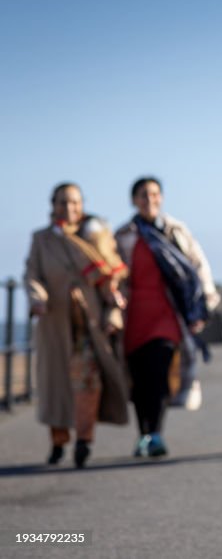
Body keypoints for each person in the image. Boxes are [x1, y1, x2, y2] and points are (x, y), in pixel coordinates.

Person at [24, 183, 130, 468]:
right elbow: (32, 274)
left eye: (74, 202)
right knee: (55, 385)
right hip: (55, 325)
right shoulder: (42, 239)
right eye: (62, 202)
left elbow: (112, 278)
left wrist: (114, 312)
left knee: (89, 383)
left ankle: (84, 440)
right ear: (53, 205)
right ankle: (58, 441)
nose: (68, 208)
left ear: (82, 205)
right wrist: (38, 298)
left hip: (89, 326)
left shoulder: (95, 236)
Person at [114, 177, 219, 458]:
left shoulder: (176, 231)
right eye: (143, 194)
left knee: (160, 372)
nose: (149, 199)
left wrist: (205, 303)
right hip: (134, 314)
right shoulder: (123, 234)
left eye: (154, 194)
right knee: (139, 378)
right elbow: (113, 271)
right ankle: (144, 434)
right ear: (134, 200)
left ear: (161, 197)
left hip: (167, 313)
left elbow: (198, 266)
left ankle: (156, 434)